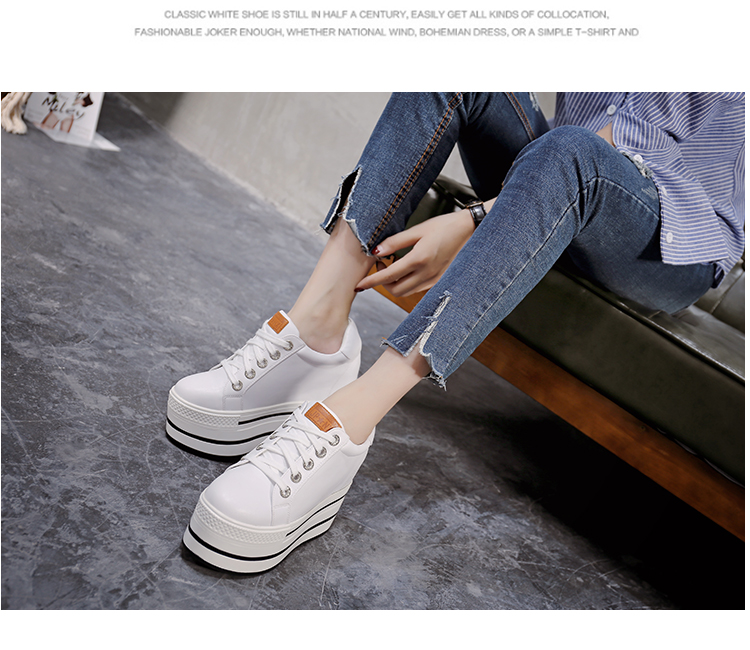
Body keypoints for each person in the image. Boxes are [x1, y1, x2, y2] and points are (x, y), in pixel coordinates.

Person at [165, 93, 745, 573]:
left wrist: (474, 218)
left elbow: (626, 144)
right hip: (557, 177)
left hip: (667, 237)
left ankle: (349, 420)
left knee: (573, 154)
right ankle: (318, 329)